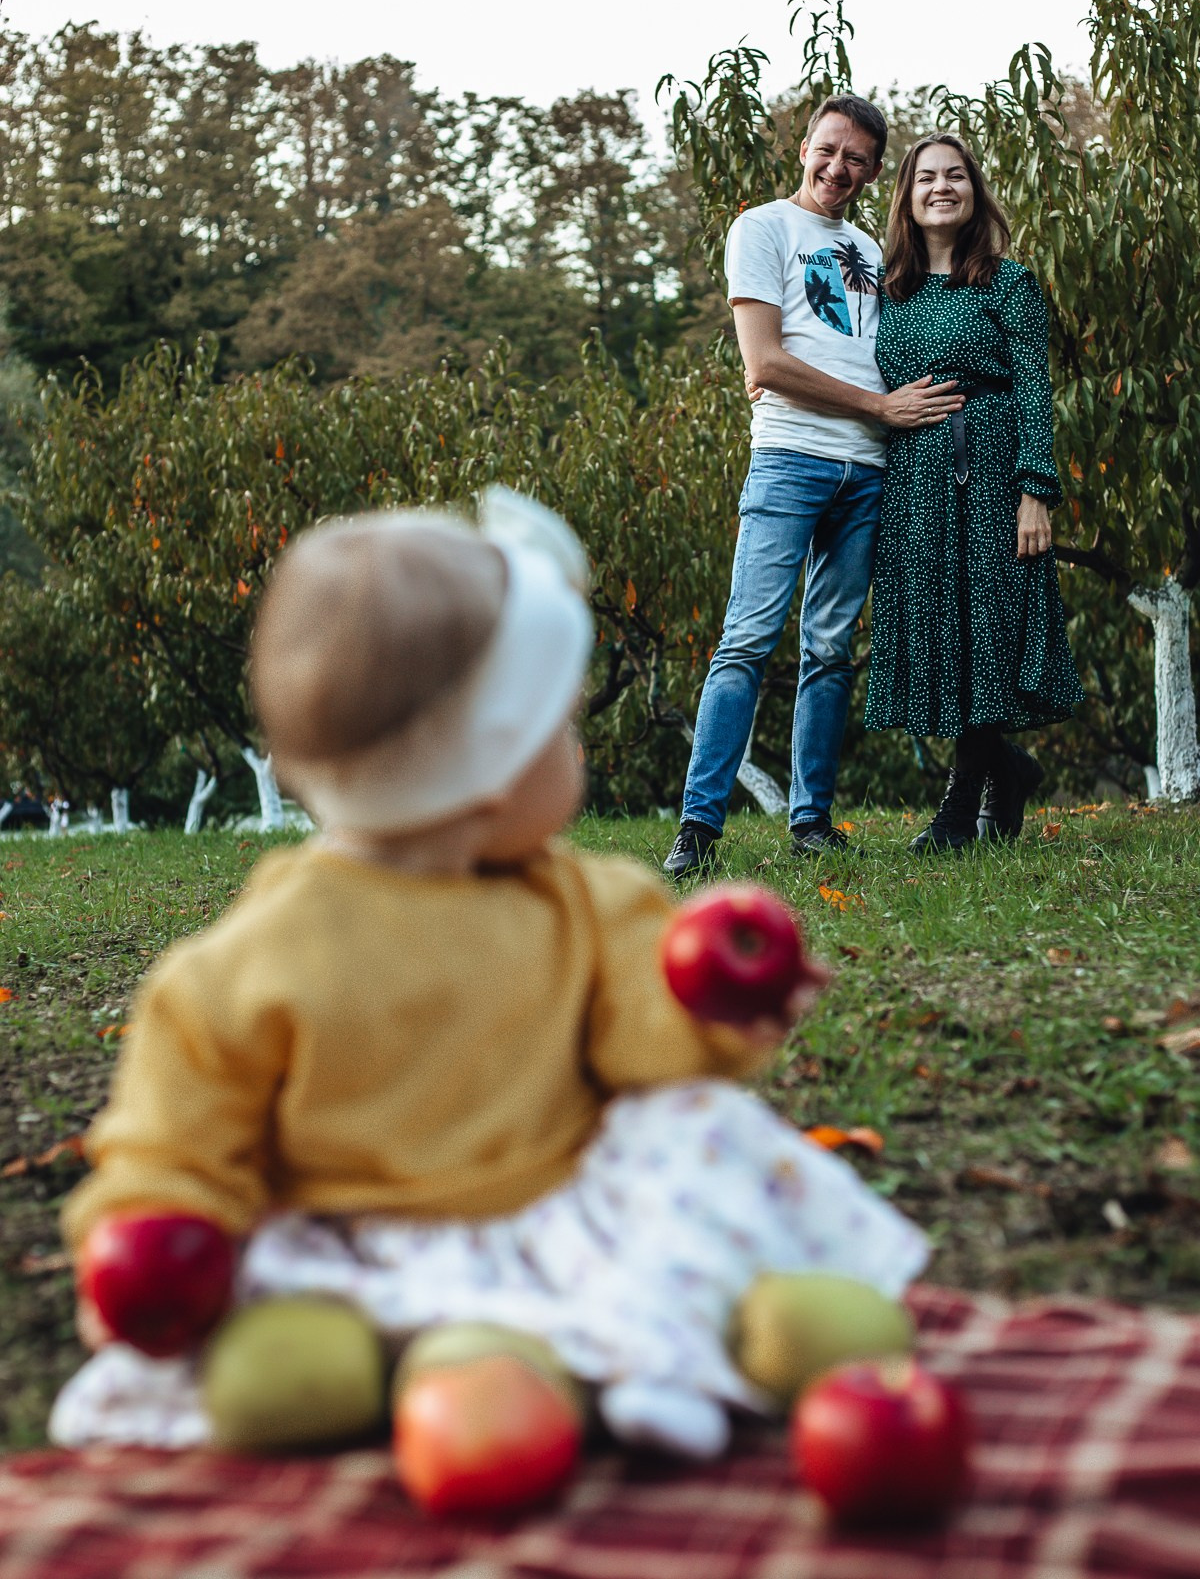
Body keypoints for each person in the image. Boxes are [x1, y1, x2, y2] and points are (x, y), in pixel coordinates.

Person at [52, 488, 927, 1462]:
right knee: (286, 1370)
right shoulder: (255, 963)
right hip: (360, 1245)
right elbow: (180, 1149)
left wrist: (718, 1003)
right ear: (492, 769)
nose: (577, 753)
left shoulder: (581, 900)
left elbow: (641, 1034)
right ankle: (589, 1361)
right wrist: (157, 1238)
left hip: (568, 1210)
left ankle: (588, 1358)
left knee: (688, 1122)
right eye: (562, 729)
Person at [664, 94, 964, 880]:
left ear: (872, 173)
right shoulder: (761, 228)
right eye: (829, 150)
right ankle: (697, 829)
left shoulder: (871, 245)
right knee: (746, 641)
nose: (839, 168)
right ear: (805, 147)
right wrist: (877, 405)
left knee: (830, 649)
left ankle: (812, 823)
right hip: (793, 458)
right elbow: (762, 363)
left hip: (868, 469)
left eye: (857, 159)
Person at [865, 134, 1084, 850]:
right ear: (907, 194)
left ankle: (959, 812)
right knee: (947, 634)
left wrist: (1034, 490)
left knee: (986, 631)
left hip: (988, 474)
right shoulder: (886, 290)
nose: (941, 187)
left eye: (955, 175)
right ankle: (1008, 769)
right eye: (926, 177)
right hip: (913, 482)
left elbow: (1034, 388)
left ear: (974, 190)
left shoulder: (1007, 282)